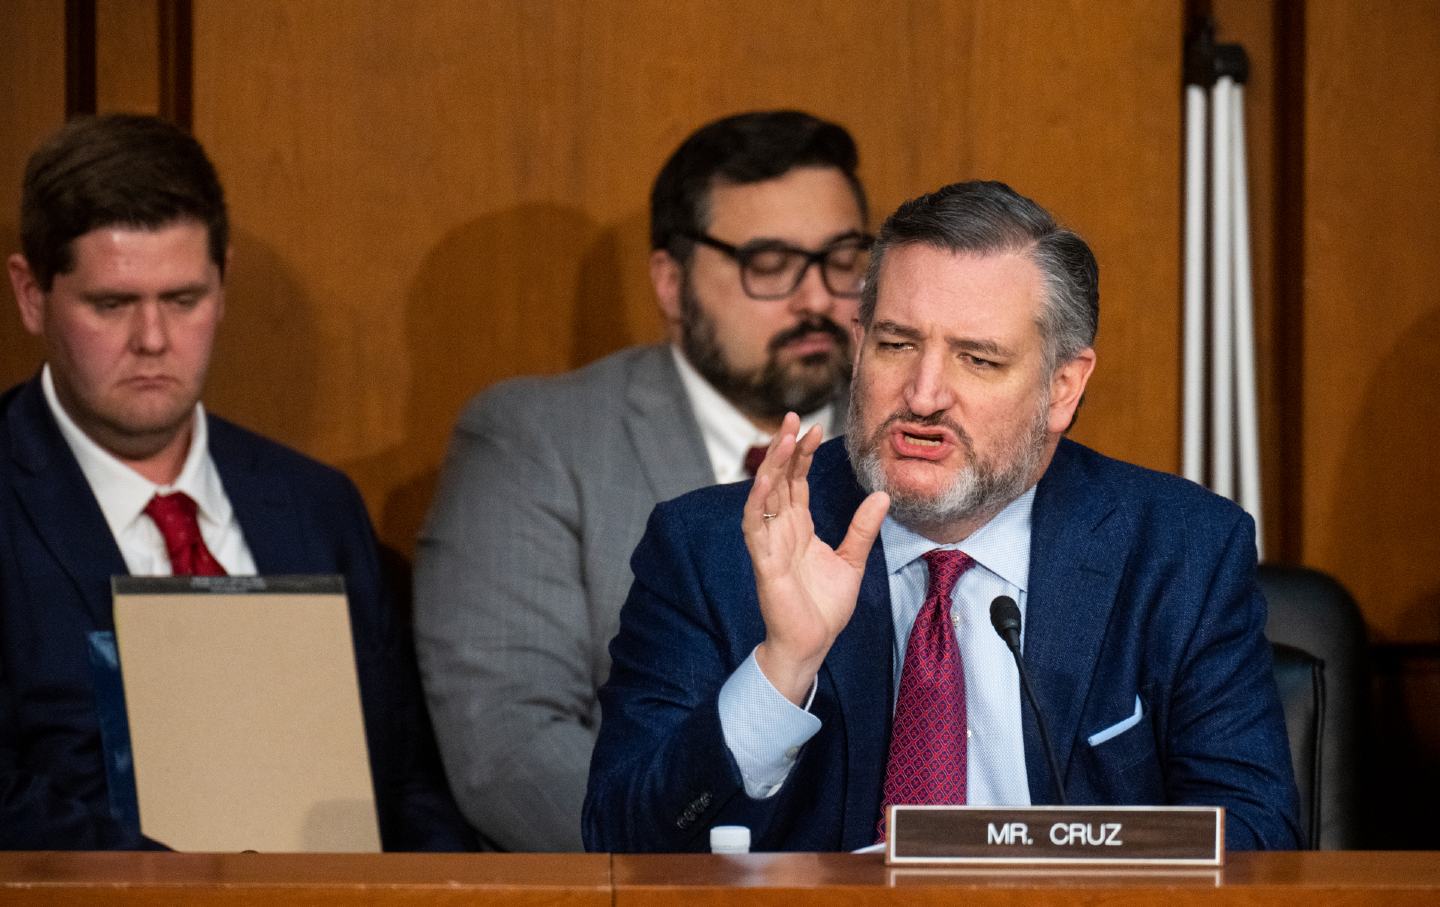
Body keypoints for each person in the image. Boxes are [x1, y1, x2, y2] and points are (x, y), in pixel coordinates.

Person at [583, 180, 1301, 853]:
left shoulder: (1181, 553)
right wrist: (782, 668)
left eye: (977, 359)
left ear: (1062, 387)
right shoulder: (713, 549)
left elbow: (1254, 841)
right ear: (858, 346)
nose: (923, 394)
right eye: (896, 344)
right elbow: (624, 842)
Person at [0, 114, 474, 851]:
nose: (153, 339)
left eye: (184, 299)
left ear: (223, 283)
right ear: (32, 294)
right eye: (113, 304)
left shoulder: (317, 506)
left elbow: (405, 782)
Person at [414, 110, 871, 850]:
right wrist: (719, 880)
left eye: (843, 258)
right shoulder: (538, 442)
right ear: (670, 280)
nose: (817, 298)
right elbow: (510, 747)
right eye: (770, 263)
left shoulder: (911, 443)